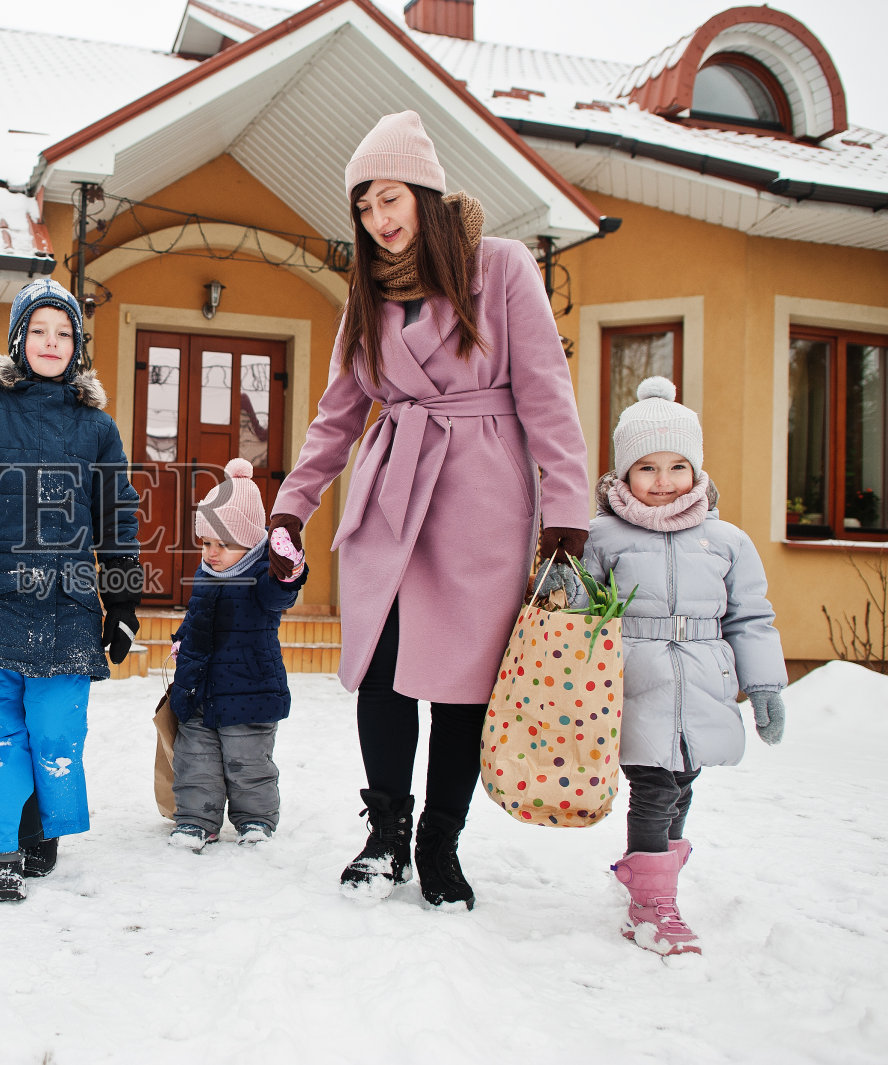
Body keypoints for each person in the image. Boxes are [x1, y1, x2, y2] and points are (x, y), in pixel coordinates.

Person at [268, 110, 590, 910]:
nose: (379, 222)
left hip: (482, 495)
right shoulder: (365, 298)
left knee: (462, 683)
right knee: (381, 666)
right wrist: (289, 510)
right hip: (391, 489)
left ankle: (439, 841)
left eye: (389, 199)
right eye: (364, 208)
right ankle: (385, 834)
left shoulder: (504, 267)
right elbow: (337, 415)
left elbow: (547, 393)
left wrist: (565, 515)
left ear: (424, 191)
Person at [0, 277, 142, 903]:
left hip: (67, 604)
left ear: (78, 346)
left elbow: (116, 513)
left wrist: (120, 599)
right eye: (38, 330)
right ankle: (2, 844)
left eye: (64, 332)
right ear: (17, 340)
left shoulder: (96, 428)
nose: (51, 342)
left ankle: (44, 821)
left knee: (56, 725)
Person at [583, 377, 786, 955]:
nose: (663, 481)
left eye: (677, 467)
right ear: (623, 474)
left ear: (696, 471)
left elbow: (750, 618)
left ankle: (650, 877)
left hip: (702, 683)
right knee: (652, 787)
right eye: (647, 468)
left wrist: (765, 685)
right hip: (633, 681)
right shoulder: (602, 537)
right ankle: (650, 907)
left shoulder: (727, 542)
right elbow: (577, 615)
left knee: (681, 784)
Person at [166, 458, 308, 851]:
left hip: (251, 689)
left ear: (251, 542)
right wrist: (183, 639)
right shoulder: (206, 574)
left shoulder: (262, 576)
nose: (211, 553)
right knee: (195, 760)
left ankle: (256, 820)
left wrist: (290, 568)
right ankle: (196, 820)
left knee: (249, 765)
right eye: (206, 543)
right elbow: (198, 615)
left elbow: (281, 592)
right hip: (199, 688)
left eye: (223, 544)